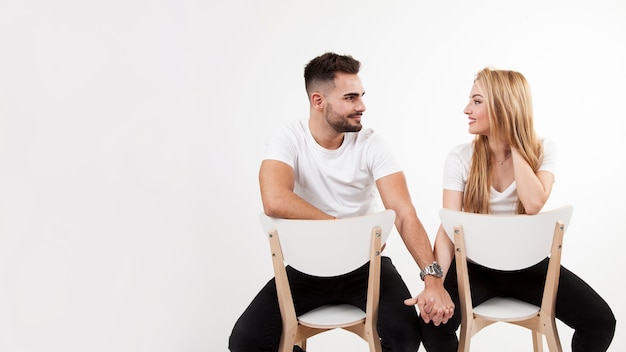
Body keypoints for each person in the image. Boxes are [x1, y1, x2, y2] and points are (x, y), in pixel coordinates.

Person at [228, 52, 454, 352]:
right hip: (306, 269)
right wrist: (344, 231)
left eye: (361, 96)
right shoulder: (288, 138)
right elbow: (274, 199)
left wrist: (432, 278)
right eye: (350, 98)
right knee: (246, 342)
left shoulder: (372, 143)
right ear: (318, 101)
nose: (361, 106)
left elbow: (402, 211)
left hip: (367, 267)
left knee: (404, 338)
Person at [418, 67, 616, 351]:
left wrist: (513, 143)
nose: (466, 109)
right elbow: (448, 229)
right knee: (432, 324)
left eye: (476, 101)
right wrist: (435, 285)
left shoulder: (543, 149)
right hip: (475, 270)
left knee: (600, 321)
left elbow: (534, 203)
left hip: (531, 270)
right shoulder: (459, 157)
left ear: (503, 107)